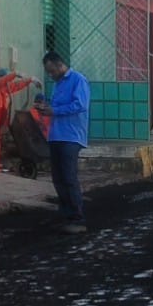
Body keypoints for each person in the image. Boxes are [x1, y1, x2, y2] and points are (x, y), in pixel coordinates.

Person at [41, 51, 90, 234]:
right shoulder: (58, 84)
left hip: (71, 136)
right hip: (56, 135)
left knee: (69, 178)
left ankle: (78, 218)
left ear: (59, 65)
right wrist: (47, 109)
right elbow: (56, 106)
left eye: (51, 71)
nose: (50, 75)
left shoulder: (78, 80)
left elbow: (80, 105)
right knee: (58, 178)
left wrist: (55, 111)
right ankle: (66, 215)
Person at [0, 67, 39, 173]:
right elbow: (1, 82)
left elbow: (17, 86)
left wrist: (30, 79)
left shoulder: (4, 89)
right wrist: (14, 74)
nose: (8, 83)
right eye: (6, 80)